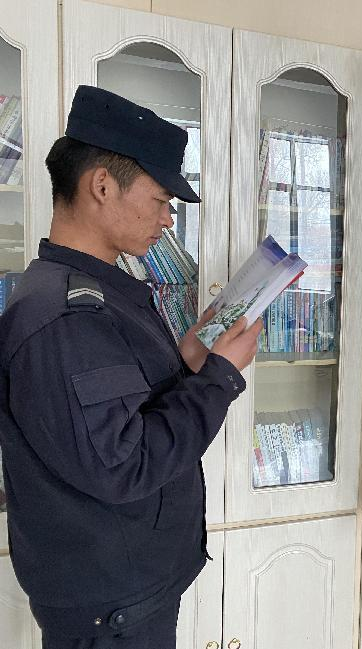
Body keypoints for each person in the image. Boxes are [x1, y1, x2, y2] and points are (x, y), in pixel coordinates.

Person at [0, 85, 262, 648]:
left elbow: (126, 410)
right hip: (111, 611)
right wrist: (221, 378)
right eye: (161, 199)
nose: (168, 219)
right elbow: (124, 463)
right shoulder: (64, 316)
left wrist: (191, 356)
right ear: (101, 186)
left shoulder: (99, 291)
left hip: (124, 590)